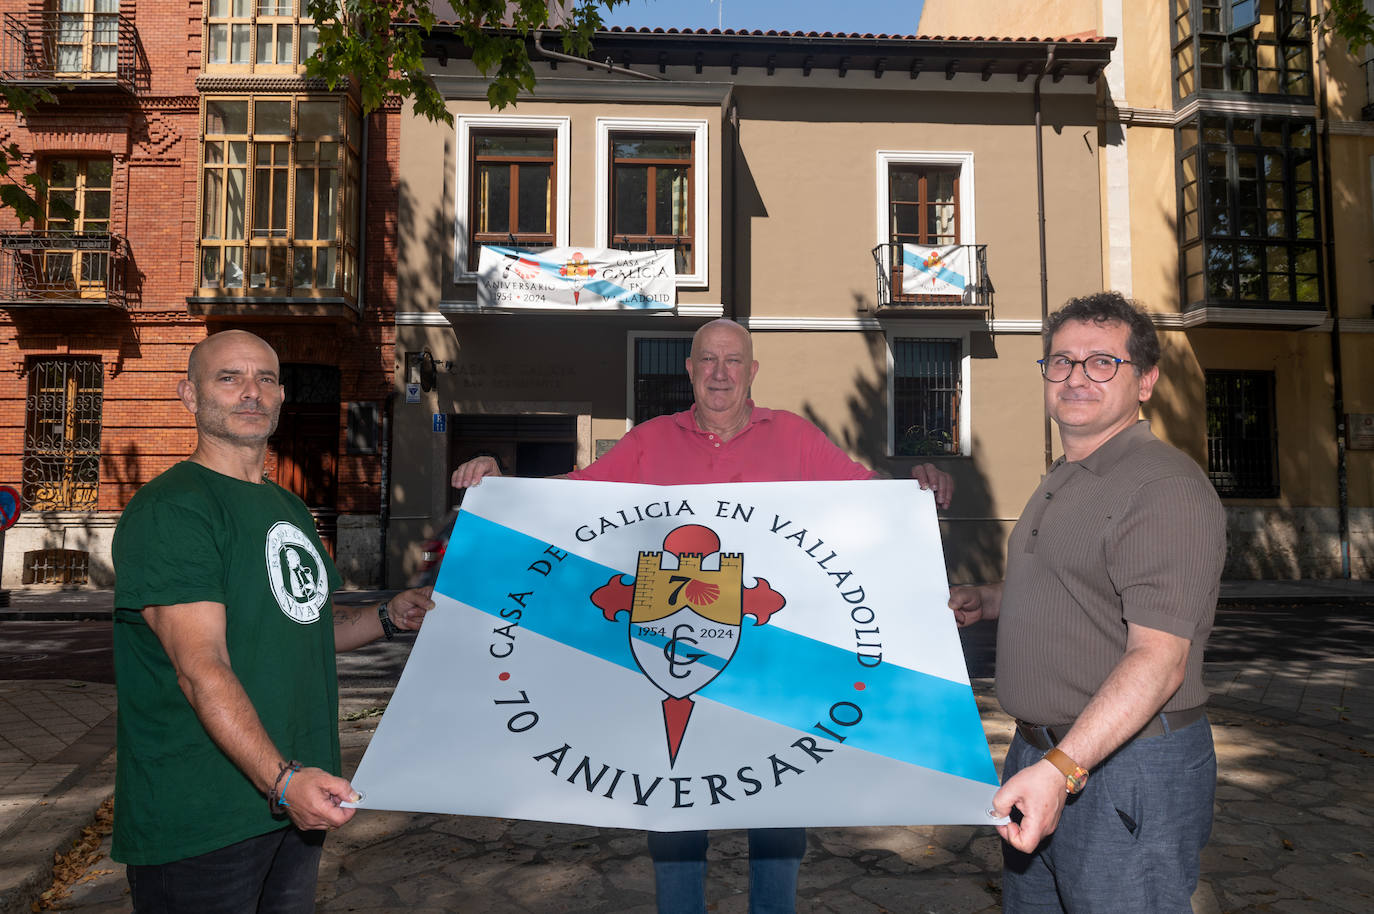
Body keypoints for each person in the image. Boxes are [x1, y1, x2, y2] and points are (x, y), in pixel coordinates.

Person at [452, 318, 953, 914]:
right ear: (688, 370)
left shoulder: (793, 437)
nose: (720, 373)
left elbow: (871, 504)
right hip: (666, 656)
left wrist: (918, 486)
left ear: (753, 371)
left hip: (768, 660)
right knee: (673, 806)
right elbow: (573, 498)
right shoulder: (649, 439)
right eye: (708, 360)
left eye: (733, 360)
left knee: (779, 803)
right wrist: (499, 483)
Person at [111, 329, 435, 913]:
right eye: (228, 377)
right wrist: (281, 782)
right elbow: (199, 668)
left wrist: (388, 616)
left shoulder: (287, 506)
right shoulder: (173, 509)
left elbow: (307, 628)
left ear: (282, 395)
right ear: (189, 395)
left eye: (264, 378)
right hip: (205, 811)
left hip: (293, 797)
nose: (250, 392)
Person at [948, 292, 1226, 913]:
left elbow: (1159, 659)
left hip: (1122, 768)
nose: (1076, 377)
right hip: (1046, 754)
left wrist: (1060, 770)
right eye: (1061, 361)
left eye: (1102, 362)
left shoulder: (1163, 489)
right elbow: (1084, 584)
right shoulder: (1068, 473)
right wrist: (989, 600)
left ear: (1146, 381)